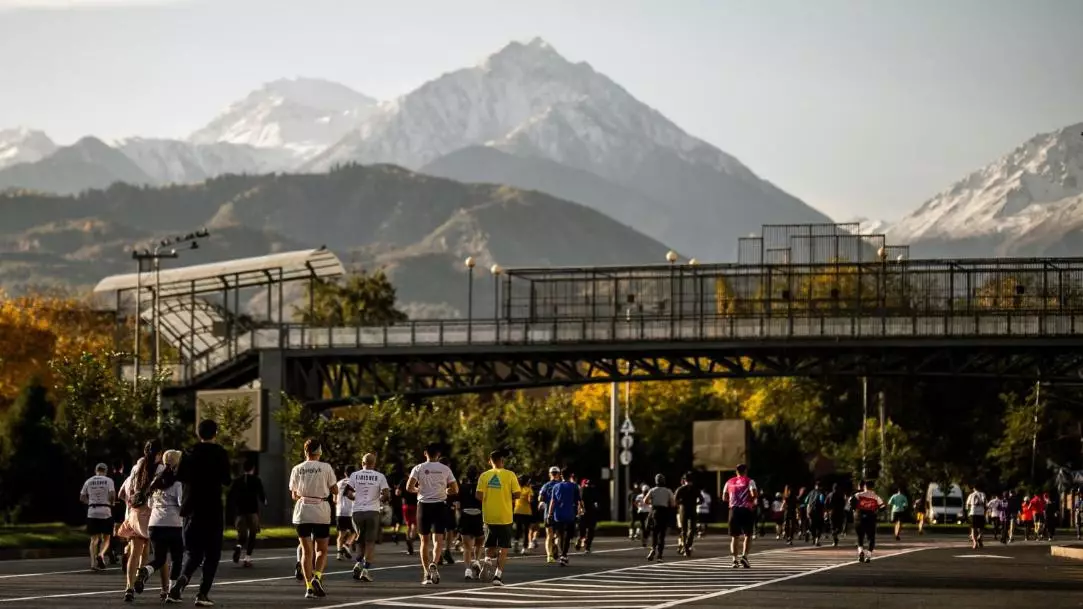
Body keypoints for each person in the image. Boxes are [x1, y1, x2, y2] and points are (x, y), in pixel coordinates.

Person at [167, 420, 231, 607]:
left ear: (198, 434)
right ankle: (202, 594)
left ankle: (180, 583)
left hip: (191, 508)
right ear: (215, 433)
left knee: (193, 552)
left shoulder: (188, 452)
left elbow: (179, 476)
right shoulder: (220, 452)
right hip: (212, 508)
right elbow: (226, 480)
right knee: (212, 554)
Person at [289, 438, 337, 599]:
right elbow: (335, 489)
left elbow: (294, 494)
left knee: (306, 552)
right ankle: (317, 576)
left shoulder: (297, 468)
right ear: (320, 451)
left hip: (302, 511)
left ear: (305, 451)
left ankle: (309, 587)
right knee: (321, 549)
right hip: (321, 510)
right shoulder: (326, 467)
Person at [134, 450, 184, 602]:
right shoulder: (177, 482)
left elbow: (149, 504)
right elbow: (182, 504)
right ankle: (172, 592)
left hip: (155, 524)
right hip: (174, 524)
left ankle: (145, 570)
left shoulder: (155, 481)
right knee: (177, 558)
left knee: (159, 559)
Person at [406, 443, 458, 585]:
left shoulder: (418, 468)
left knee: (424, 541)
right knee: (438, 539)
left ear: (425, 453)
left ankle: (426, 574)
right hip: (440, 506)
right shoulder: (445, 469)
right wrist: (446, 491)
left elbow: (409, 487)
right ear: (438, 455)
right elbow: (455, 489)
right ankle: (434, 563)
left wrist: (420, 490)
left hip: (423, 506)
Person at [477, 450, 521, 585]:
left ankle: (487, 560)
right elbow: (517, 494)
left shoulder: (484, 475)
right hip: (505, 516)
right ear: (502, 460)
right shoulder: (510, 475)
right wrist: (505, 495)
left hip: (489, 516)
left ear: (489, 461)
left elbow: (478, 495)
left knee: (490, 544)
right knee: (504, 548)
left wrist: (491, 497)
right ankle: (497, 576)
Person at [348, 454, 390, 583]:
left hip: (357, 512)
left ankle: (358, 563)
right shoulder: (380, 476)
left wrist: (357, 498)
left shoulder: (354, 475)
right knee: (370, 542)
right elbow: (386, 494)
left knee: (360, 539)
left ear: (362, 463)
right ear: (374, 463)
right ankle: (365, 570)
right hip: (372, 511)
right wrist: (379, 500)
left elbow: (349, 493)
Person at [229, 459, 266, 568]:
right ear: (253, 469)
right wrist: (264, 501)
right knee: (253, 534)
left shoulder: (237, 481)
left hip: (240, 511)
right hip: (252, 511)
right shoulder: (256, 480)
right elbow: (261, 494)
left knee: (242, 534)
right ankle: (247, 558)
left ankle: (239, 546)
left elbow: (231, 496)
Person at [80, 462, 116, 572]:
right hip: (105, 511)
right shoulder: (109, 480)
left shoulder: (89, 481)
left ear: (96, 470)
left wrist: (90, 502)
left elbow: (82, 497)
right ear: (105, 471)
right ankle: (101, 555)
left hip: (92, 511)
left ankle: (93, 563)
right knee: (106, 538)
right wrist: (112, 502)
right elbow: (112, 494)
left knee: (94, 539)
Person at [722, 464, 758, 568]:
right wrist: (749, 501)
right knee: (748, 534)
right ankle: (745, 557)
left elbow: (724, 497)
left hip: (733, 510)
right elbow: (754, 494)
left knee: (734, 536)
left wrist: (733, 501)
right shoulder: (750, 481)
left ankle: (734, 560)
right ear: (745, 471)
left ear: (736, 471)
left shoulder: (729, 482)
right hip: (746, 509)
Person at [548, 467, 581, 566]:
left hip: (558, 514)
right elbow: (578, 500)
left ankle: (559, 550)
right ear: (570, 476)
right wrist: (581, 510)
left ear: (561, 475)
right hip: (569, 514)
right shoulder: (574, 486)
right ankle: (563, 555)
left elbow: (552, 501)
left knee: (560, 535)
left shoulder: (556, 486)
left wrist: (549, 514)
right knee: (567, 536)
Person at [456, 467, 485, 580]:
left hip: (465, 516)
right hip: (478, 516)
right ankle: (477, 561)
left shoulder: (461, 488)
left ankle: (467, 570)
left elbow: (458, 506)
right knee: (479, 542)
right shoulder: (481, 488)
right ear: (477, 476)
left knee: (467, 547)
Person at [851, 480, 885, 563]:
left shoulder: (858, 495)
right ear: (872, 487)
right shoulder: (876, 497)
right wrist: (876, 510)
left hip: (859, 517)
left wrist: (854, 509)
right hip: (871, 518)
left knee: (860, 537)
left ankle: (860, 552)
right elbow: (883, 507)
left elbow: (851, 501)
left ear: (864, 486)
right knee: (871, 538)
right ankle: (868, 556)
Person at [537, 466, 562, 563]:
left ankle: (549, 556)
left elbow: (540, 498)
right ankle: (555, 545)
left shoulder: (546, 485)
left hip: (548, 513)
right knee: (558, 534)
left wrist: (542, 501)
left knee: (549, 535)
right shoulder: (561, 485)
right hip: (559, 514)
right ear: (559, 474)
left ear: (549, 474)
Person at [335, 465, 357, 561]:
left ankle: (339, 554)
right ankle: (347, 545)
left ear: (345, 473)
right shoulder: (355, 483)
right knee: (356, 532)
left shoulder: (339, 483)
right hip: (351, 511)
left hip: (339, 511)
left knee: (341, 534)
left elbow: (334, 499)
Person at [674, 473, 699, 557]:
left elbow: (675, 500)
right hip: (692, 509)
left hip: (683, 510)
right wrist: (696, 503)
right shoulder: (695, 489)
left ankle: (685, 547)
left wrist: (681, 503)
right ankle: (688, 545)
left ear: (684, 480)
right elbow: (702, 500)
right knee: (692, 529)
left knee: (683, 530)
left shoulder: (680, 489)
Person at [108, 460, 127, 565]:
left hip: (111, 506)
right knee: (122, 529)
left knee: (112, 529)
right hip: (122, 506)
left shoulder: (109, 479)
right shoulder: (125, 477)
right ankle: (122, 551)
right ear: (122, 467)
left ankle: (111, 550)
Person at [576, 478, 600, 553]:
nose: (588, 486)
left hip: (587, 512)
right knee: (589, 530)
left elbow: (596, 502)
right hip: (587, 512)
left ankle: (584, 542)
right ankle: (585, 543)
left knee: (588, 529)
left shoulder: (582, 490)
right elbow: (580, 501)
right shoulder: (585, 490)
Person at [512, 475, 534, 555]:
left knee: (518, 529)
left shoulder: (516, 489)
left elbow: (513, 500)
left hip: (517, 511)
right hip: (526, 512)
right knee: (526, 530)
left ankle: (516, 544)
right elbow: (530, 500)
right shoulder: (528, 489)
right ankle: (524, 548)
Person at [397, 477, 419, 555]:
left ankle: (408, 540)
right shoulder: (418, 481)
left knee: (408, 525)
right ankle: (411, 540)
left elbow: (397, 492)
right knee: (415, 525)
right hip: (416, 505)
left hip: (405, 505)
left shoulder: (403, 480)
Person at [825, 483, 847, 547]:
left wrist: (827, 511)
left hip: (831, 512)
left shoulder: (829, 495)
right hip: (840, 512)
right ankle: (836, 533)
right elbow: (843, 503)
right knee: (839, 526)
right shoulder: (841, 494)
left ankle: (835, 539)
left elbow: (826, 503)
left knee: (832, 526)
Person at [966, 484, 987, 549]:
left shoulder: (971, 495)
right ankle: (979, 537)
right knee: (981, 527)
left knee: (973, 528)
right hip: (981, 513)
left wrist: (969, 512)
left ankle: (975, 543)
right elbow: (985, 503)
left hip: (973, 512)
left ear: (974, 489)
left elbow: (967, 505)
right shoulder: (983, 494)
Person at [806, 481, 826, 547]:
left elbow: (806, 501)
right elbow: (822, 501)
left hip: (810, 511)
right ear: (821, 487)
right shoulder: (821, 493)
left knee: (812, 525)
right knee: (819, 526)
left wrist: (807, 510)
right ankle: (817, 540)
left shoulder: (810, 492)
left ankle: (812, 536)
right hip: (818, 511)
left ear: (815, 486)